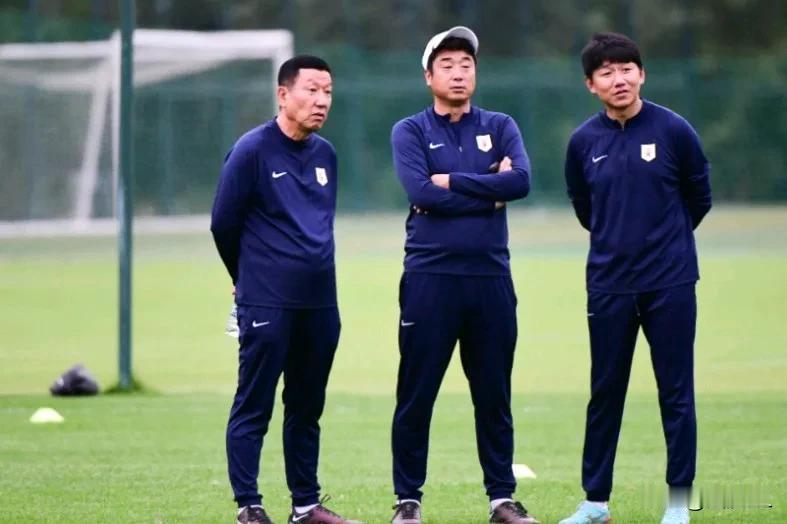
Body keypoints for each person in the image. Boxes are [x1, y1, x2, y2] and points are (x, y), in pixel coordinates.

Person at [559, 33, 711, 524]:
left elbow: (699, 197)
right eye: (606, 72)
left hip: (670, 282)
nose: (619, 79)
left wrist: (665, 244)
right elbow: (585, 208)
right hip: (609, 285)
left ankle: (678, 503)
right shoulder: (583, 142)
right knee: (605, 393)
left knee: (676, 393)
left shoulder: (674, 130)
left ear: (642, 74)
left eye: (627, 69)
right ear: (591, 84)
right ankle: (595, 503)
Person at [389, 26, 538, 524]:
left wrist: (452, 181)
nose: (458, 73)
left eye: (466, 64)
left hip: (490, 279)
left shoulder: (500, 124)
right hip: (430, 280)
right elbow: (420, 192)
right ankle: (407, 501)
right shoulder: (410, 131)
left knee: (494, 396)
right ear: (429, 76)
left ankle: (502, 499)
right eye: (447, 65)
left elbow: (521, 181)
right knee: (416, 394)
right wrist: (489, 191)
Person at [211, 55, 360, 524]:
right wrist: (246, 277)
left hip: (320, 303)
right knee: (254, 404)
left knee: (306, 407)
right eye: (312, 90)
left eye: (328, 92)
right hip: (266, 301)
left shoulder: (326, 155)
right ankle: (249, 506)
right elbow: (222, 223)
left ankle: (306, 506)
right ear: (283, 94)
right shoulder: (252, 150)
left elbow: (319, 226)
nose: (321, 101)